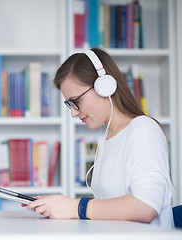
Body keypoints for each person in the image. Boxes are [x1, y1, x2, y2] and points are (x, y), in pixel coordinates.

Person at [23, 48, 174, 228]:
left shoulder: (143, 128)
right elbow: (107, 208)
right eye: (69, 105)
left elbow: (146, 206)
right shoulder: (107, 136)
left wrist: (74, 207)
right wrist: (57, 206)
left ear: (104, 87)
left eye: (75, 102)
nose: (73, 113)